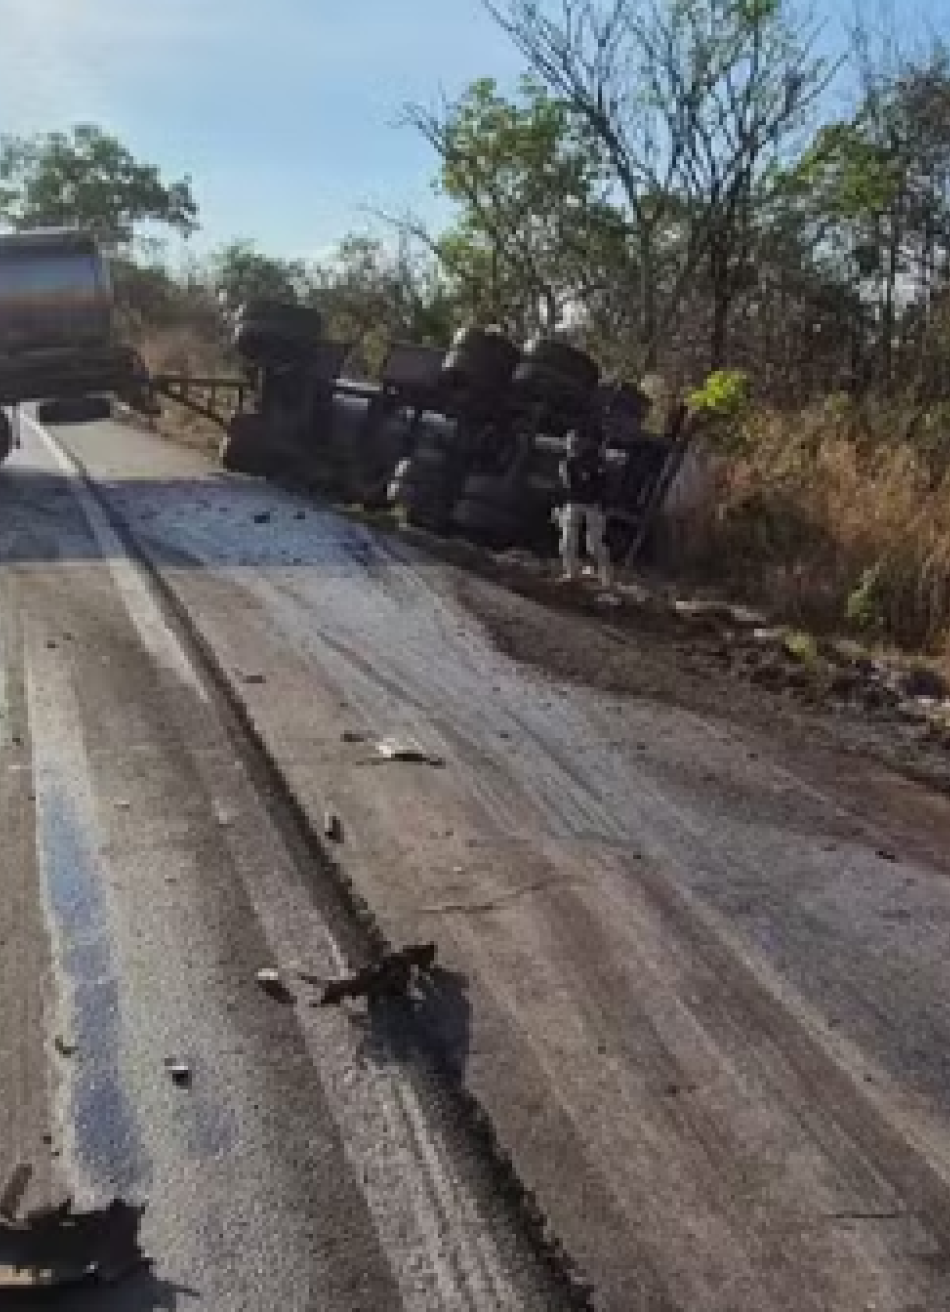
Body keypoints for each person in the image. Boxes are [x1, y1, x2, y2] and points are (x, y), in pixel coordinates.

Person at [558, 417, 612, 588]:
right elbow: (569, 487)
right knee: (567, 541)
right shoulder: (568, 463)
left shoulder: (595, 461)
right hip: (575, 503)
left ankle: (606, 577)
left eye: (575, 442)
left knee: (595, 544)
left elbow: (603, 486)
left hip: (593, 505)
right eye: (570, 443)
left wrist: (602, 504)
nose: (572, 445)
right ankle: (571, 573)